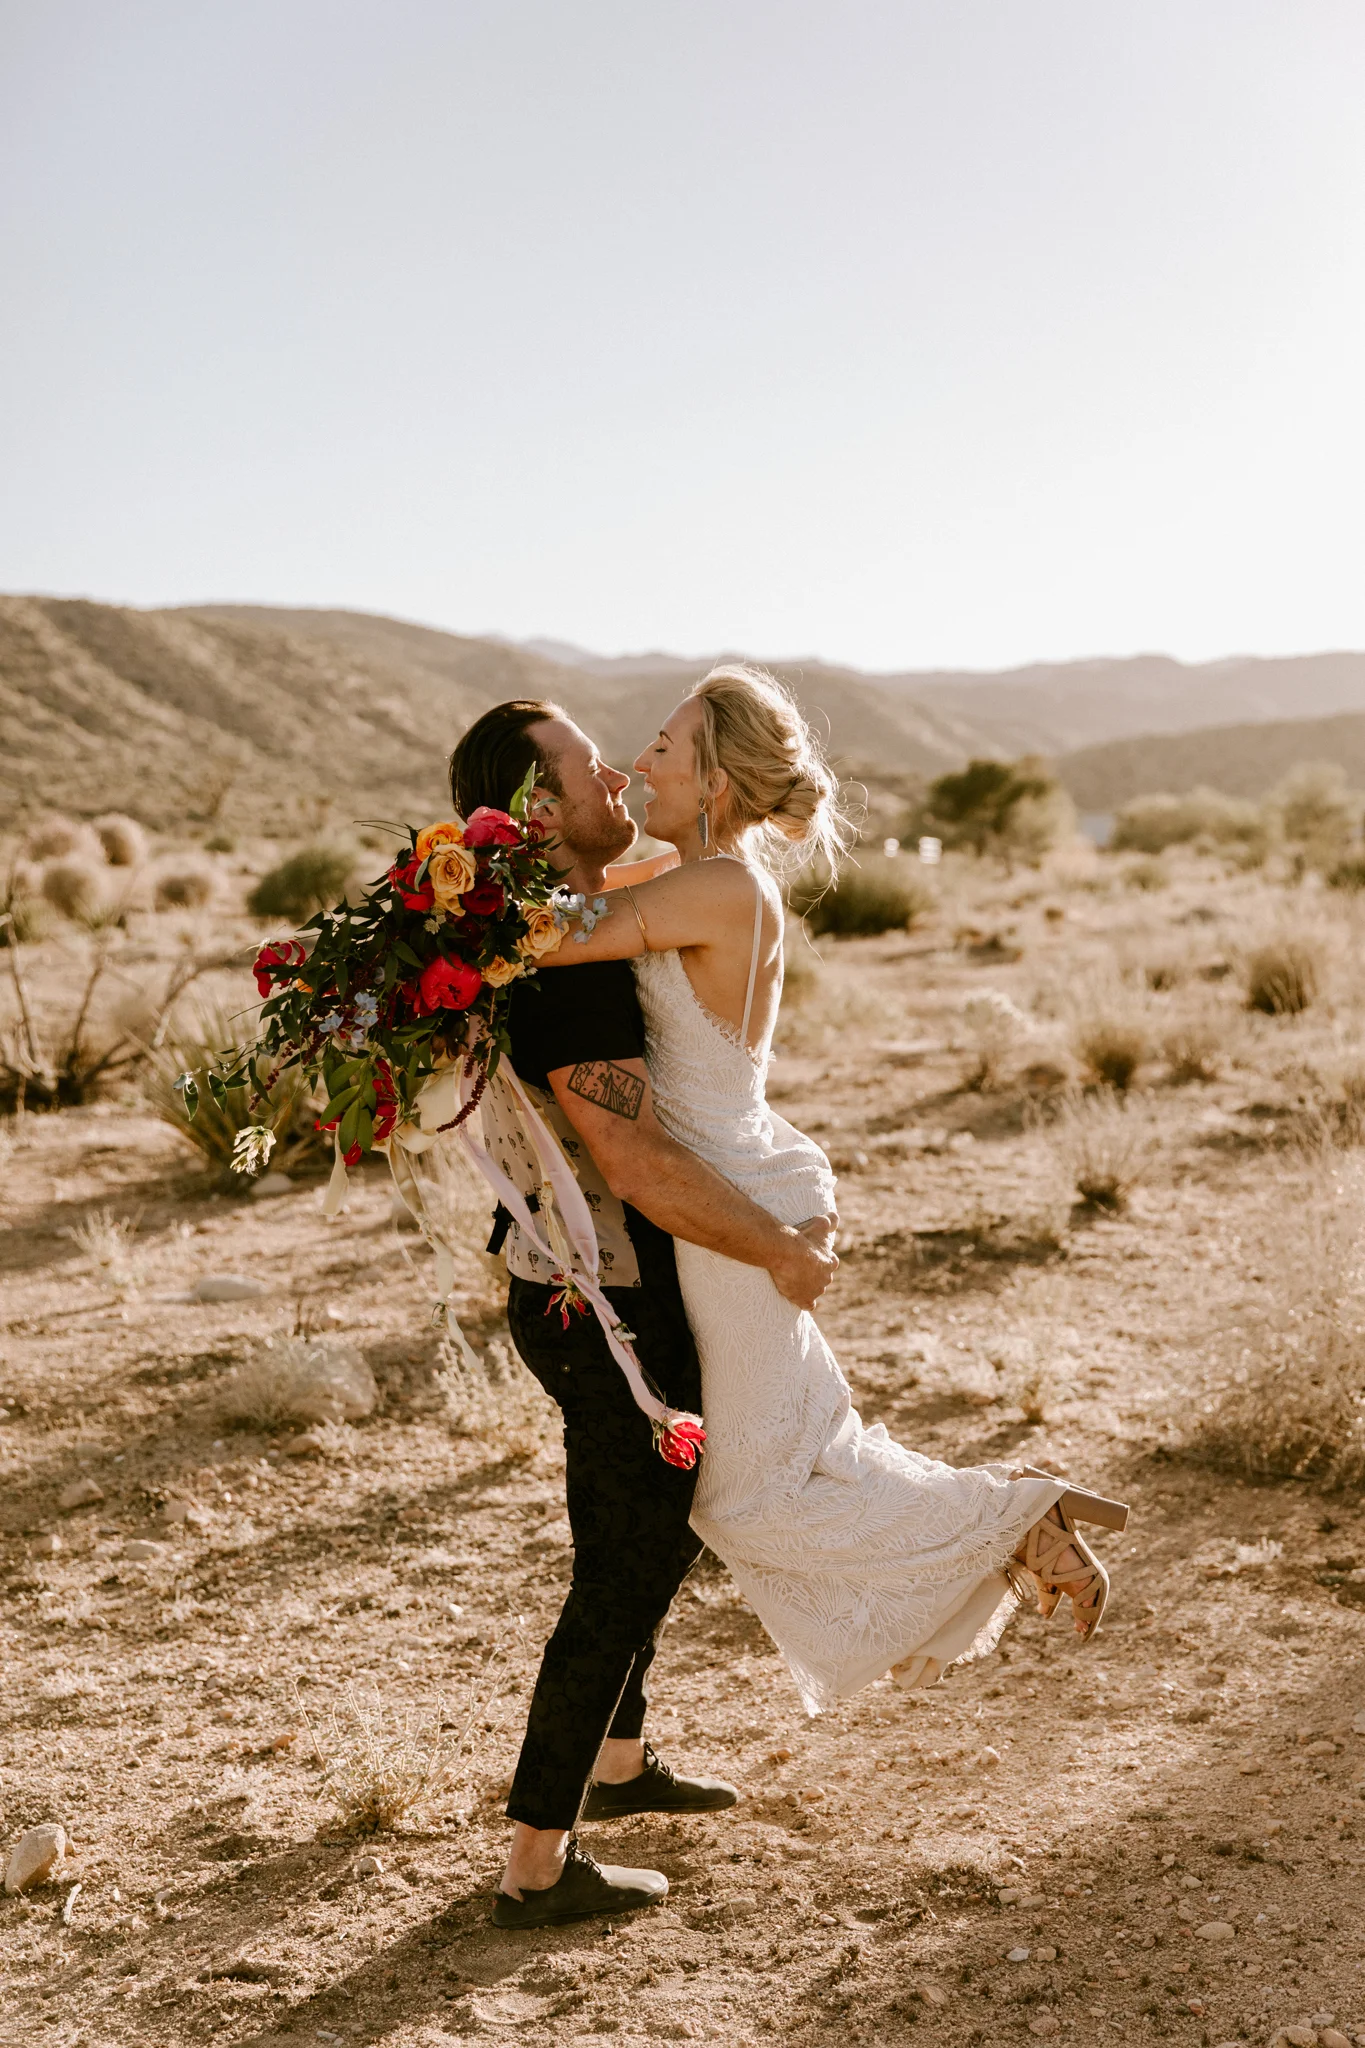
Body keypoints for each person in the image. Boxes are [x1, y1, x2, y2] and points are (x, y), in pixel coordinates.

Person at [540, 664, 1122, 1715]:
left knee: (738, 1490)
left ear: (716, 780)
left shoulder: (720, 886)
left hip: (729, 1200)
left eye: (664, 749)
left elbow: (554, 932)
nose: (639, 765)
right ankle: (1009, 1515)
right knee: (798, 1454)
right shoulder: (686, 873)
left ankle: (1014, 1515)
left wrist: (436, 907)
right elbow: (576, 902)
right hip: (730, 1175)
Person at [446, 701, 838, 1930]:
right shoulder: (577, 979)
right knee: (625, 1558)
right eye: (584, 763)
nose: (617, 768)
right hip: (602, 1298)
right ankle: (533, 1862)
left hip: (580, 1284)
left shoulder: (585, 926)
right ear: (543, 811)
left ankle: (619, 1762)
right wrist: (780, 1246)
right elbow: (636, 1160)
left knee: (649, 1530)